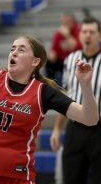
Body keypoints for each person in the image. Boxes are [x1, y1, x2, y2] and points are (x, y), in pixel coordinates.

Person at [0, 35, 98, 183]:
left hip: (18, 175)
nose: (14, 52)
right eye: (12, 49)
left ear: (35, 61)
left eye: (21, 50)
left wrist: (86, 85)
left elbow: (90, 119)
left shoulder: (43, 92)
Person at [50, 17, 101, 184]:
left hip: (98, 129)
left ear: (99, 35)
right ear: (79, 35)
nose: (87, 36)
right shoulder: (71, 59)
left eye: (92, 32)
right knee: (71, 176)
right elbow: (66, 96)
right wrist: (57, 129)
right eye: (84, 32)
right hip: (75, 128)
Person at [46, 13, 81, 84]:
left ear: (73, 22)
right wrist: (51, 54)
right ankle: (51, 84)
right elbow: (54, 49)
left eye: (68, 21)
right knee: (48, 62)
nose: (66, 24)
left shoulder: (78, 30)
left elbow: (76, 46)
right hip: (62, 60)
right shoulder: (59, 33)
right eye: (64, 22)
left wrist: (67, 35)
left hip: (76, 59)